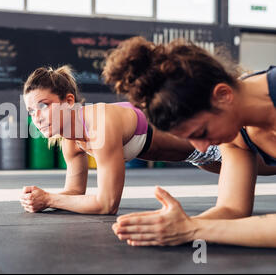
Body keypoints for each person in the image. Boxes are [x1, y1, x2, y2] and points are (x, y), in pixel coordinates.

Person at [20, 65, 275, 216]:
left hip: (218, 137)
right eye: (31, 111)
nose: (37, 117)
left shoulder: (100, 123)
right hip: (199, 156)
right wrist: (42, 198)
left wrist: (51, 200)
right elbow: (75, 193)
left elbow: (107, 204)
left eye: (44, 105)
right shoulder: (70, 141)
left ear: (68, 101)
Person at [103, 36, 276, 248]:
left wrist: (193, 229)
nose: (202, 149)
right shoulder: (236, 136)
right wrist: (176, 226)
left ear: (223, 95)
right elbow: (233, 209)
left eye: (201, 132)